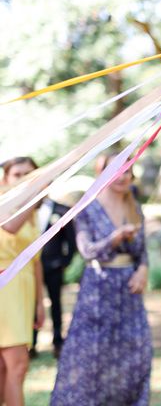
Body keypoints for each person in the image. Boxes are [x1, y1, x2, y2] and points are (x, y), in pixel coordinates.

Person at [51, 154, 152, 405]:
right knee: (93, 356)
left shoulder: (135, 207)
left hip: (129, 292)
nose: (123, 176)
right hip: (98, 289)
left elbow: (143, 252)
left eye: (128, 171)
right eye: (117, 170)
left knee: (137, 353)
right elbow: (86, 250)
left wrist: (142, 270)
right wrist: (114, 239)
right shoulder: (87, 208)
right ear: (102, 173)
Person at [0, 157, 45, 406]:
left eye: (30, 174)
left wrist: (40, 302)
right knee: (18, 366)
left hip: (23, 292)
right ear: (5, 178)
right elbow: (9, 227)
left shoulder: (32, 213)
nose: (25, 179)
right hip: (4, 291)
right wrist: (36, 193)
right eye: (18, 174)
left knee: (5, 370)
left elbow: (34, 260)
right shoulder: (6, 205)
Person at [31, 197, 77, 359]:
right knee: (32, 304)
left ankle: (57, 341)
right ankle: (31, 343)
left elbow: (72, 240)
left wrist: (65, 262)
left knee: (55, 304)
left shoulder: (62, 210)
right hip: (30, 267)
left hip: (54, 266)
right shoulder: (25, 209)